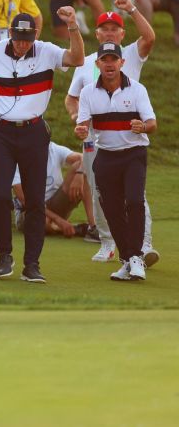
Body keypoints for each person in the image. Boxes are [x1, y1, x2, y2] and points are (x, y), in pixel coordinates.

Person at [0, 10, 85, 283]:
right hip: (0, 132)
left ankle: (32, 265)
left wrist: (73, 26)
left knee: (35, 200)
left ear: (35, 36)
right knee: (1, 193)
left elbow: (77, 58)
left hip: (33, 132)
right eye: (18, 38)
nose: (22, 44)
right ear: (10, 35)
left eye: (27, 39)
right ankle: (4, 255)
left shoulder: (46, 51)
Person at [64, 0, 159, 266]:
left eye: (113, 28)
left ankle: (143, 243)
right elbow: (71, 99)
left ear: (122, 34)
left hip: (128, 138)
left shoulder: (130, 53)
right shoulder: (86, 64)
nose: (108, 33)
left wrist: (132, 9)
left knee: (134, 194)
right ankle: (107, 243)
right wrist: (77, 119)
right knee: (99, 192)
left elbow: (150, 37)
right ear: (96, 34)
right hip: (96, 138)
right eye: (103, 29)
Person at [75, 42, 156, 282]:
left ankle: (136, 257)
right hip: (106, 155)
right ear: (98, 63)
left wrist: (143, 126)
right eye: (105, 60)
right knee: (111, 209)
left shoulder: (137, 89)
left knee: (134, 201)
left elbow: (152, 123)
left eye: (113, 59)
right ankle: (127, 259)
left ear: (122, 63)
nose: (109, 64)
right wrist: (80, 130)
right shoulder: (88, 92)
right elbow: (83, 124)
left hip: (134, 153)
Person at [12, 142, 92, 238]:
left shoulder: (53, 149)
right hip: (30, 211)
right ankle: (72, 228)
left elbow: (84, 157)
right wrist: (59, 220)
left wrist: (80, 173)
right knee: (42, 221)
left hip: (54, 204)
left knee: (81, 166)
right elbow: (27, 202)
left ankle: (93, 227)